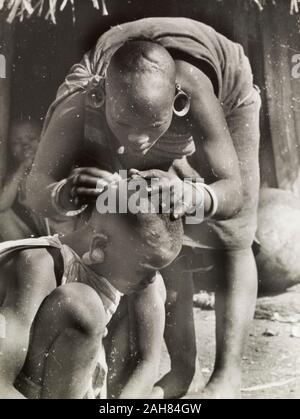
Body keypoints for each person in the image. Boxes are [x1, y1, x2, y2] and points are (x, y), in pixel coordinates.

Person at [26, 17, 261, 398]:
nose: (138, 141)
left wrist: (193, 196)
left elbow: (233, 195)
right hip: (123, 87)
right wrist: (63, 192)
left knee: (232, 234)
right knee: (138, 227)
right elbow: (34, 188)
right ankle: (175, 367)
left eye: (152, 126)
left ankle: (225, 375)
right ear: (101, 100)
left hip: (223, 85)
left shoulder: (195, 91)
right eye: (124, 123)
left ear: (178, 104)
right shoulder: (82, 98)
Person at [0, 182, 184, 399]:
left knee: (152, 293)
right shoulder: (40, 265)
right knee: (82, 305)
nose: (152, 278)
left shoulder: (142, 272)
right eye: (146, 269)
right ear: (100, 246)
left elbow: (147, 362)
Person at [0, 120, 46, 241]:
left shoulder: (56, 163)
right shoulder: (17, 174)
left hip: (66, 233)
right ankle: (28, 256)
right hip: (42, 237)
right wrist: (22, 168)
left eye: (31, 138)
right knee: (2, 215)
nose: (25, 145)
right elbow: (2, 205)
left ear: (43, 139)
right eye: (16, 143)